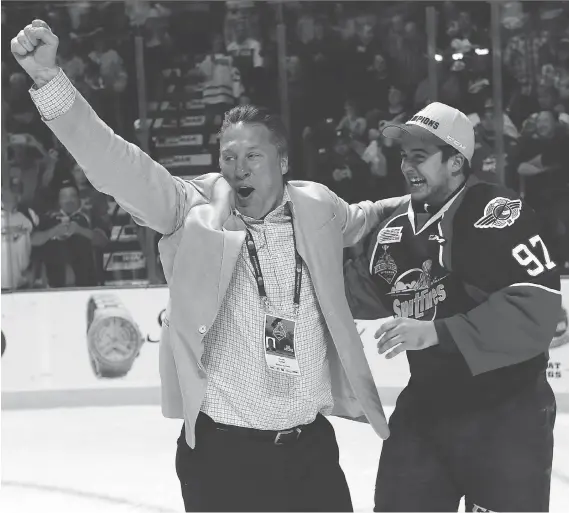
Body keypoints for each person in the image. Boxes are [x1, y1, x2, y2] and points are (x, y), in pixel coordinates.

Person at [11, 20, 407, 512]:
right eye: (228, 156)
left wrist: (427, 199)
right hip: (224, 460)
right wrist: (50, 81)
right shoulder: (191, 211)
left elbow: (366, 217)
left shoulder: (318, 206)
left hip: (311, 454)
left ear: (283, 162)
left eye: (252, 155)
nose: (237, 167)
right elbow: (115, 162)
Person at [349, 102, 561, 512]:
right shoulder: (391, 231)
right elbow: (345, 293)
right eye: (405, 156)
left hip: (506, 414)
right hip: (427, 409)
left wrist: (436, 331)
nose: (408, 166)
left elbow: (537, 309)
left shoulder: (496, 214)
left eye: (420, 156)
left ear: (456, 163)